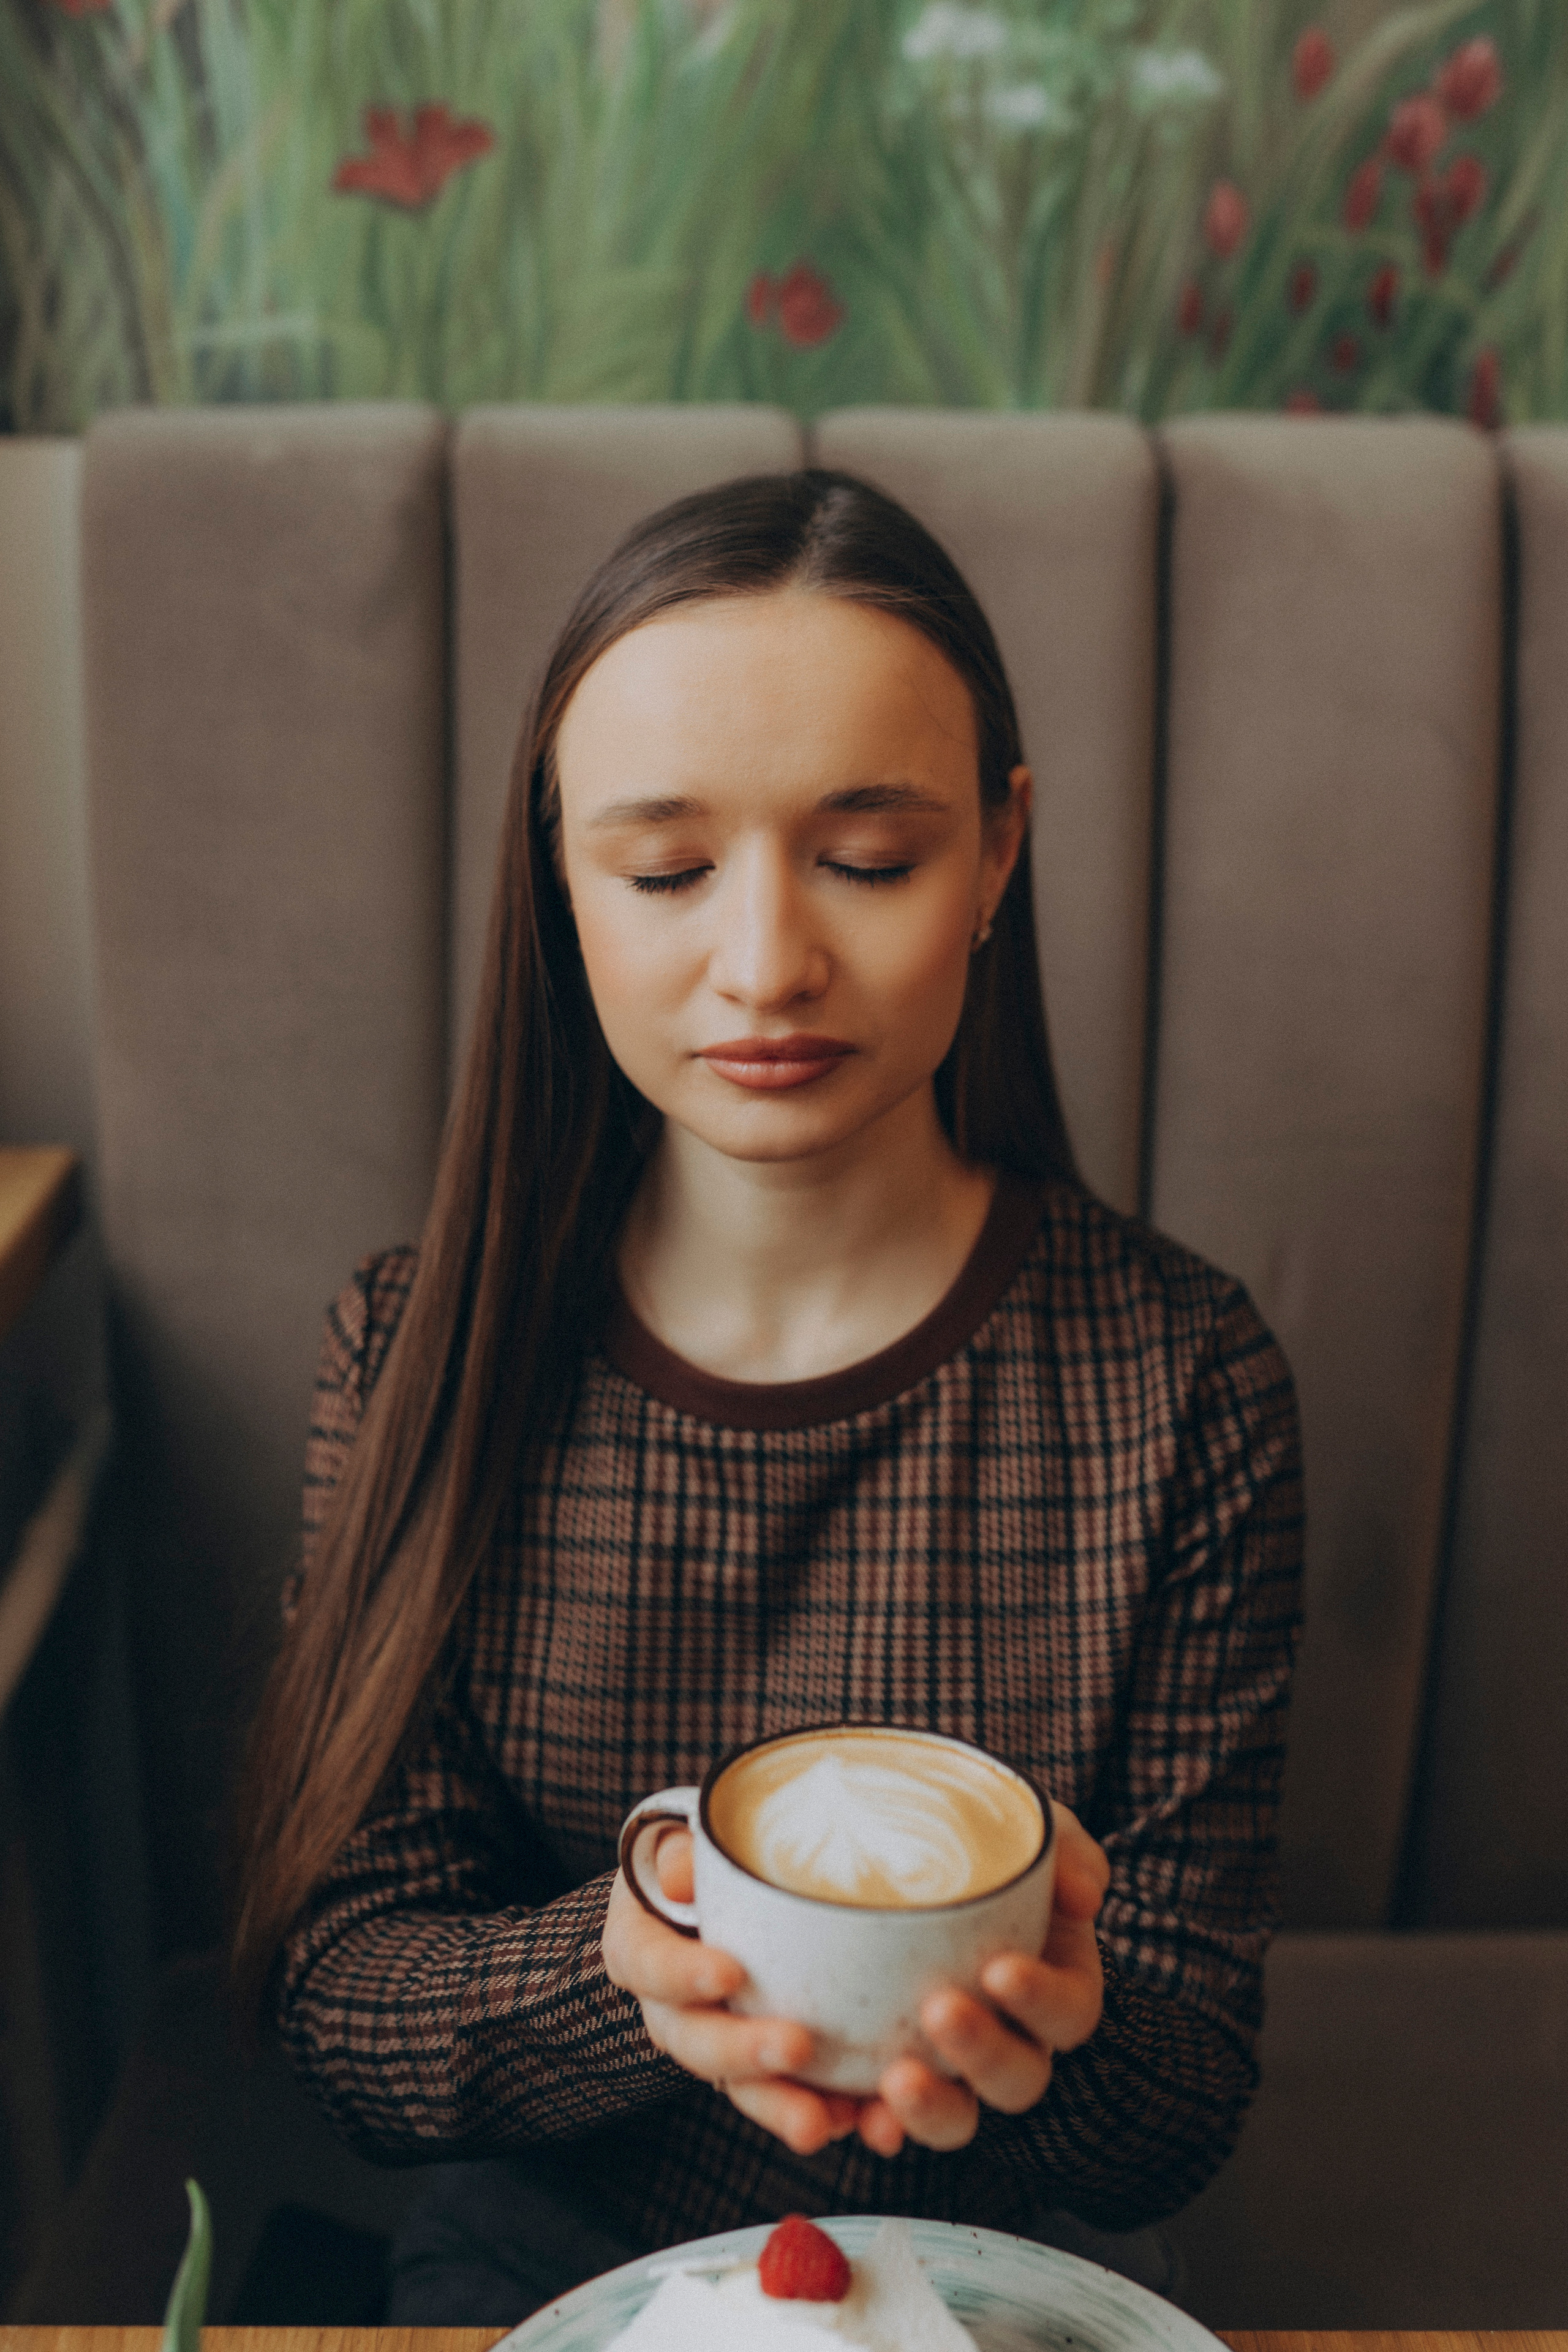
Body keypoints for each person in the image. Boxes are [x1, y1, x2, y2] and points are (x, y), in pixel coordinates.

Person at [232, 470, 1303, 2322]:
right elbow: (343, 2002)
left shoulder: (1182, 1384)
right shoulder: (416, 1353)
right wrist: (630, 1976)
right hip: (544, 2273)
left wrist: (1067, 2043)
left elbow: (1186, 2096)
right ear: (561, 880)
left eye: (869, 859)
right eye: (664, 872)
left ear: (998, 855)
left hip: (1005, 2283)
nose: (764, 964)